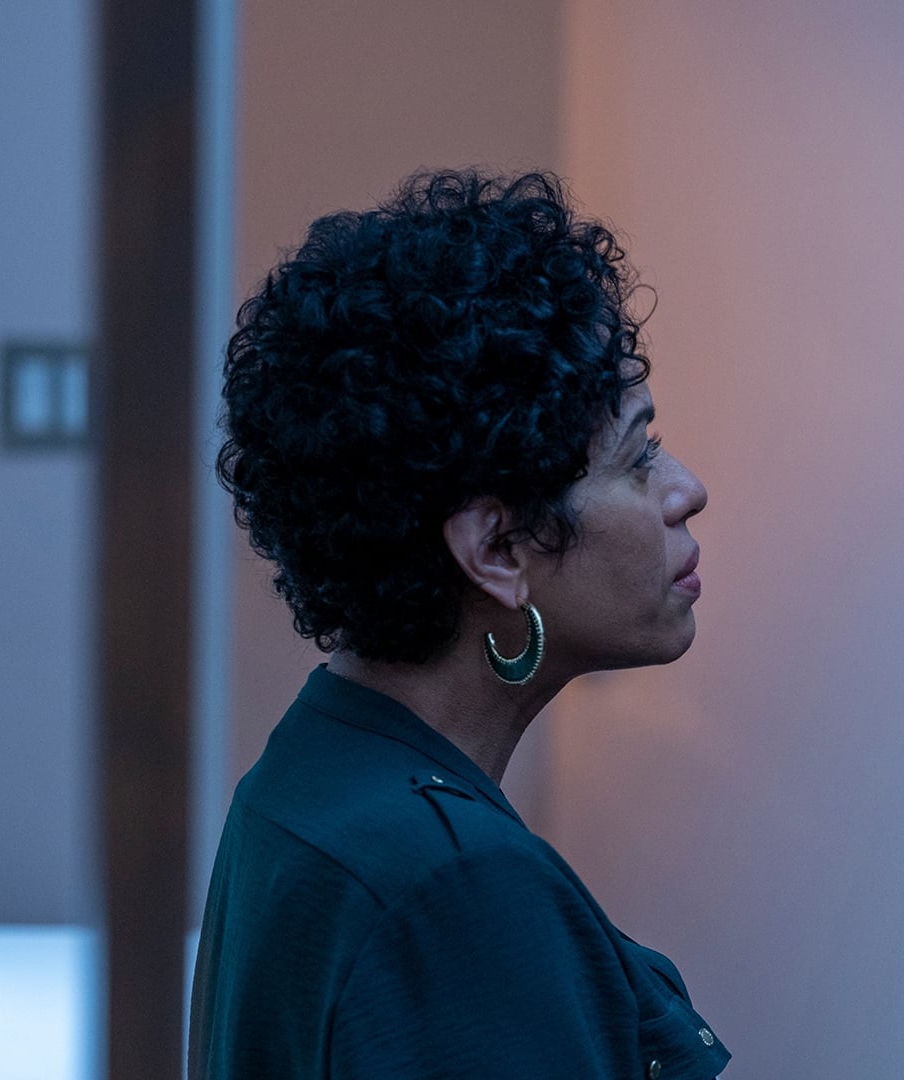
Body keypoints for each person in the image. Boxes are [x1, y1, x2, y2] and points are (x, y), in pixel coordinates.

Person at [189, 170, 727, 1079]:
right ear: (497, 550)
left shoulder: (306, 781)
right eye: (639, 458)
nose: (688, 490)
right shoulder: (454, 883)